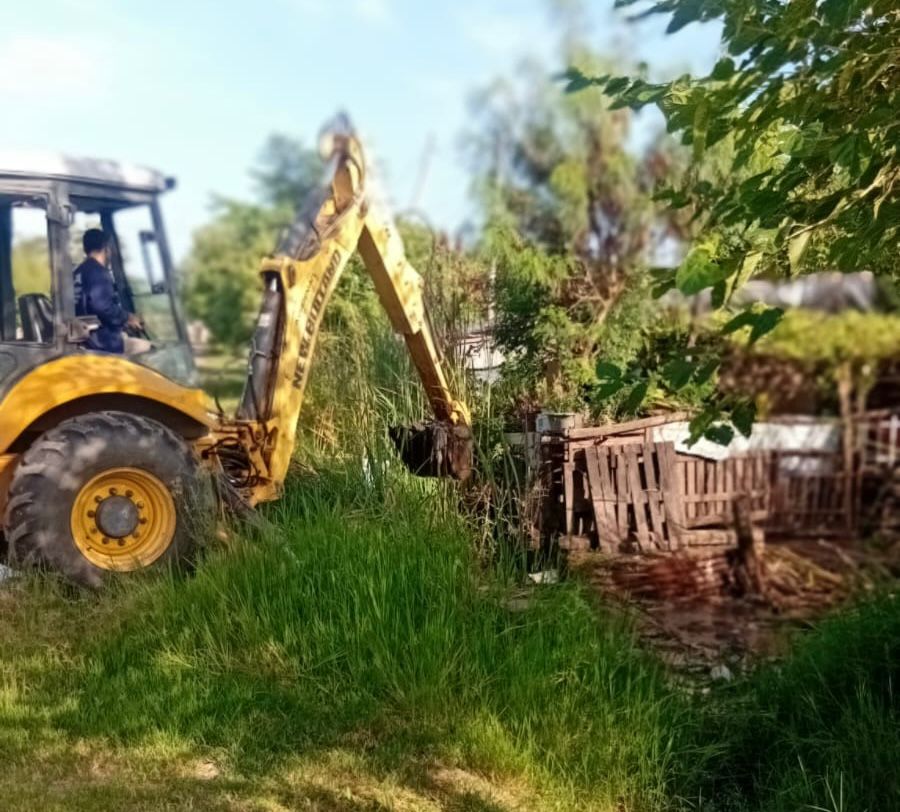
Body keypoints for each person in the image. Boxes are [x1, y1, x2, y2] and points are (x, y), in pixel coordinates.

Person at [74, 229, 144, 354]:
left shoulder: (77, 272)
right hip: (102, 342)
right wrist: (128, 317)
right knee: (149, 349)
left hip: (85, 339)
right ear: (106, 248)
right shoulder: (98, 272)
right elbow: (102, 306)